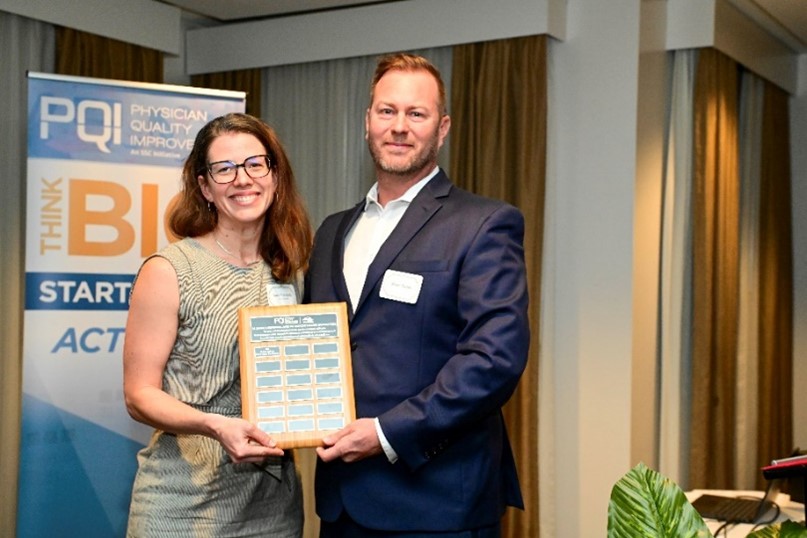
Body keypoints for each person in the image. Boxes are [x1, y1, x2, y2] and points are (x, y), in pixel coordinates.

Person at [304, 53, 530, 537]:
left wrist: (386, 433)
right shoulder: (330, 232)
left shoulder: (483, 224)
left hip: (437, 504)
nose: (399, 127)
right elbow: (314, 344)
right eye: (387, 111)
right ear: (367, 121)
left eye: (417, 114)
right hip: (342, 503)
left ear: (442, 128)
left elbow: (494, 359)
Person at [123, 112, 312, 537]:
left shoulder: (291, 270)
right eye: (223, 169)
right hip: (183, 505)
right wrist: (216, 425)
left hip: (274, 507)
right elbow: (138, 396)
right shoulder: (169, 270)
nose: (241, 179)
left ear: (275, 175)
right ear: (205, 186)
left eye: (254, 164)